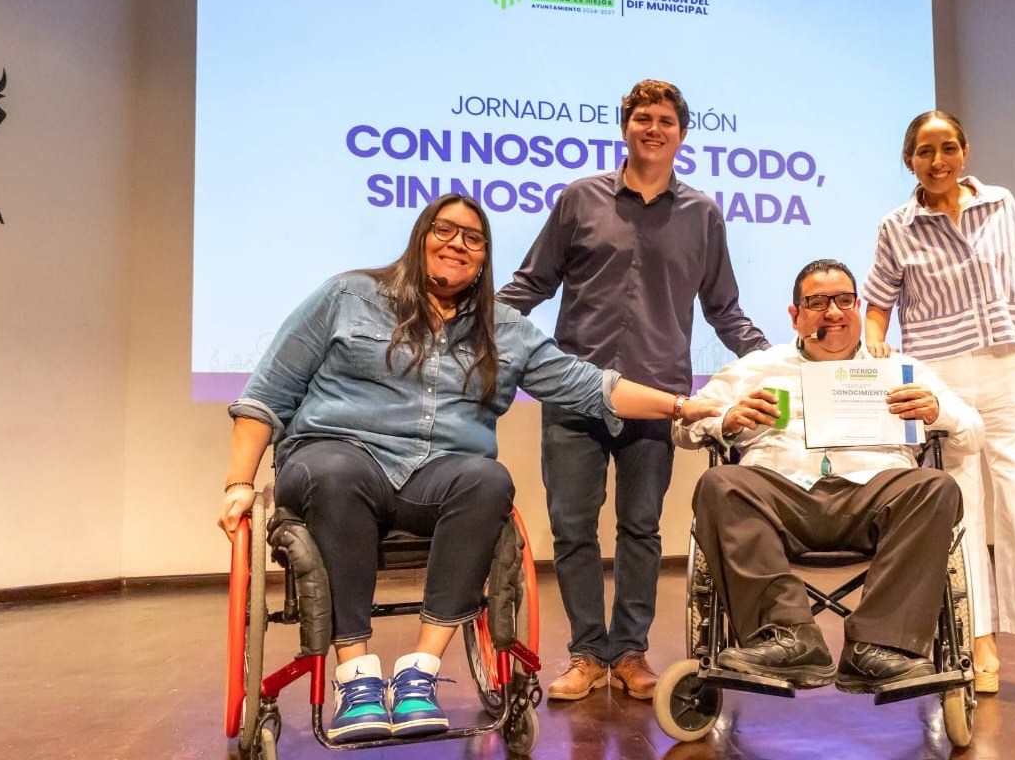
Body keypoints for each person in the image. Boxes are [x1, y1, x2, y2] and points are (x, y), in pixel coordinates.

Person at [216, 194, 722, 743]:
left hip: (436, 478)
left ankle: (419, 672)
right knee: (337, 473)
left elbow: (593, 387)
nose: (457, 243)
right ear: (420, 236)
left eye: (473, 238)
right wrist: (239, 483)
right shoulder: (348, 296)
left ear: (484, 258)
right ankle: (355, 676)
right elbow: (267, 394)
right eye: (445, 230)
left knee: (488, 479)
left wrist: (682, 405)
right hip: (337, 459)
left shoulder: (505, 330)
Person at [497, 79, 770, 701]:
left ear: (682, 133)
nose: (654, 128)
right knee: (572, 527)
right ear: (625, 127)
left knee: (641, 528)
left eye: (666, 120)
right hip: (574, 390)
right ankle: (586, 654)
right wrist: (467, 325)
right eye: (643, 118)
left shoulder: (702, 214)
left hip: (656, 397)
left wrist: (777, 362)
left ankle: (629, 652)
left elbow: (724, 309)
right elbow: (532, 284)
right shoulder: (579, 199)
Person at [862, 110, 1015, 712]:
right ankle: (977, 640)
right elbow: (878, 303)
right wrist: (876, 346)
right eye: (924, 152)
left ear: (964, 150)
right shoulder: (896, 226)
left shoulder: (1001, 204)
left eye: (947, 148)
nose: (937, 161)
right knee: (960, 508)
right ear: (908, 161)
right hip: (941, 380)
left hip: (1009, 367)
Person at [672, 259, 983, 691]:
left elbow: (973, 433)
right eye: (817, 302)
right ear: (794, 315)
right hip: (780, 499)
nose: (833, 312)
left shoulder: (899, 370)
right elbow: (683, 427)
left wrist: (937, 412)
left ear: (859, 307)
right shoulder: (756, 368)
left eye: (843, 301)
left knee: (934, 486)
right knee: (720, 484)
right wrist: (726, 420)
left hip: (875, 497)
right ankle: (788, 637)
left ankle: (879, 646)